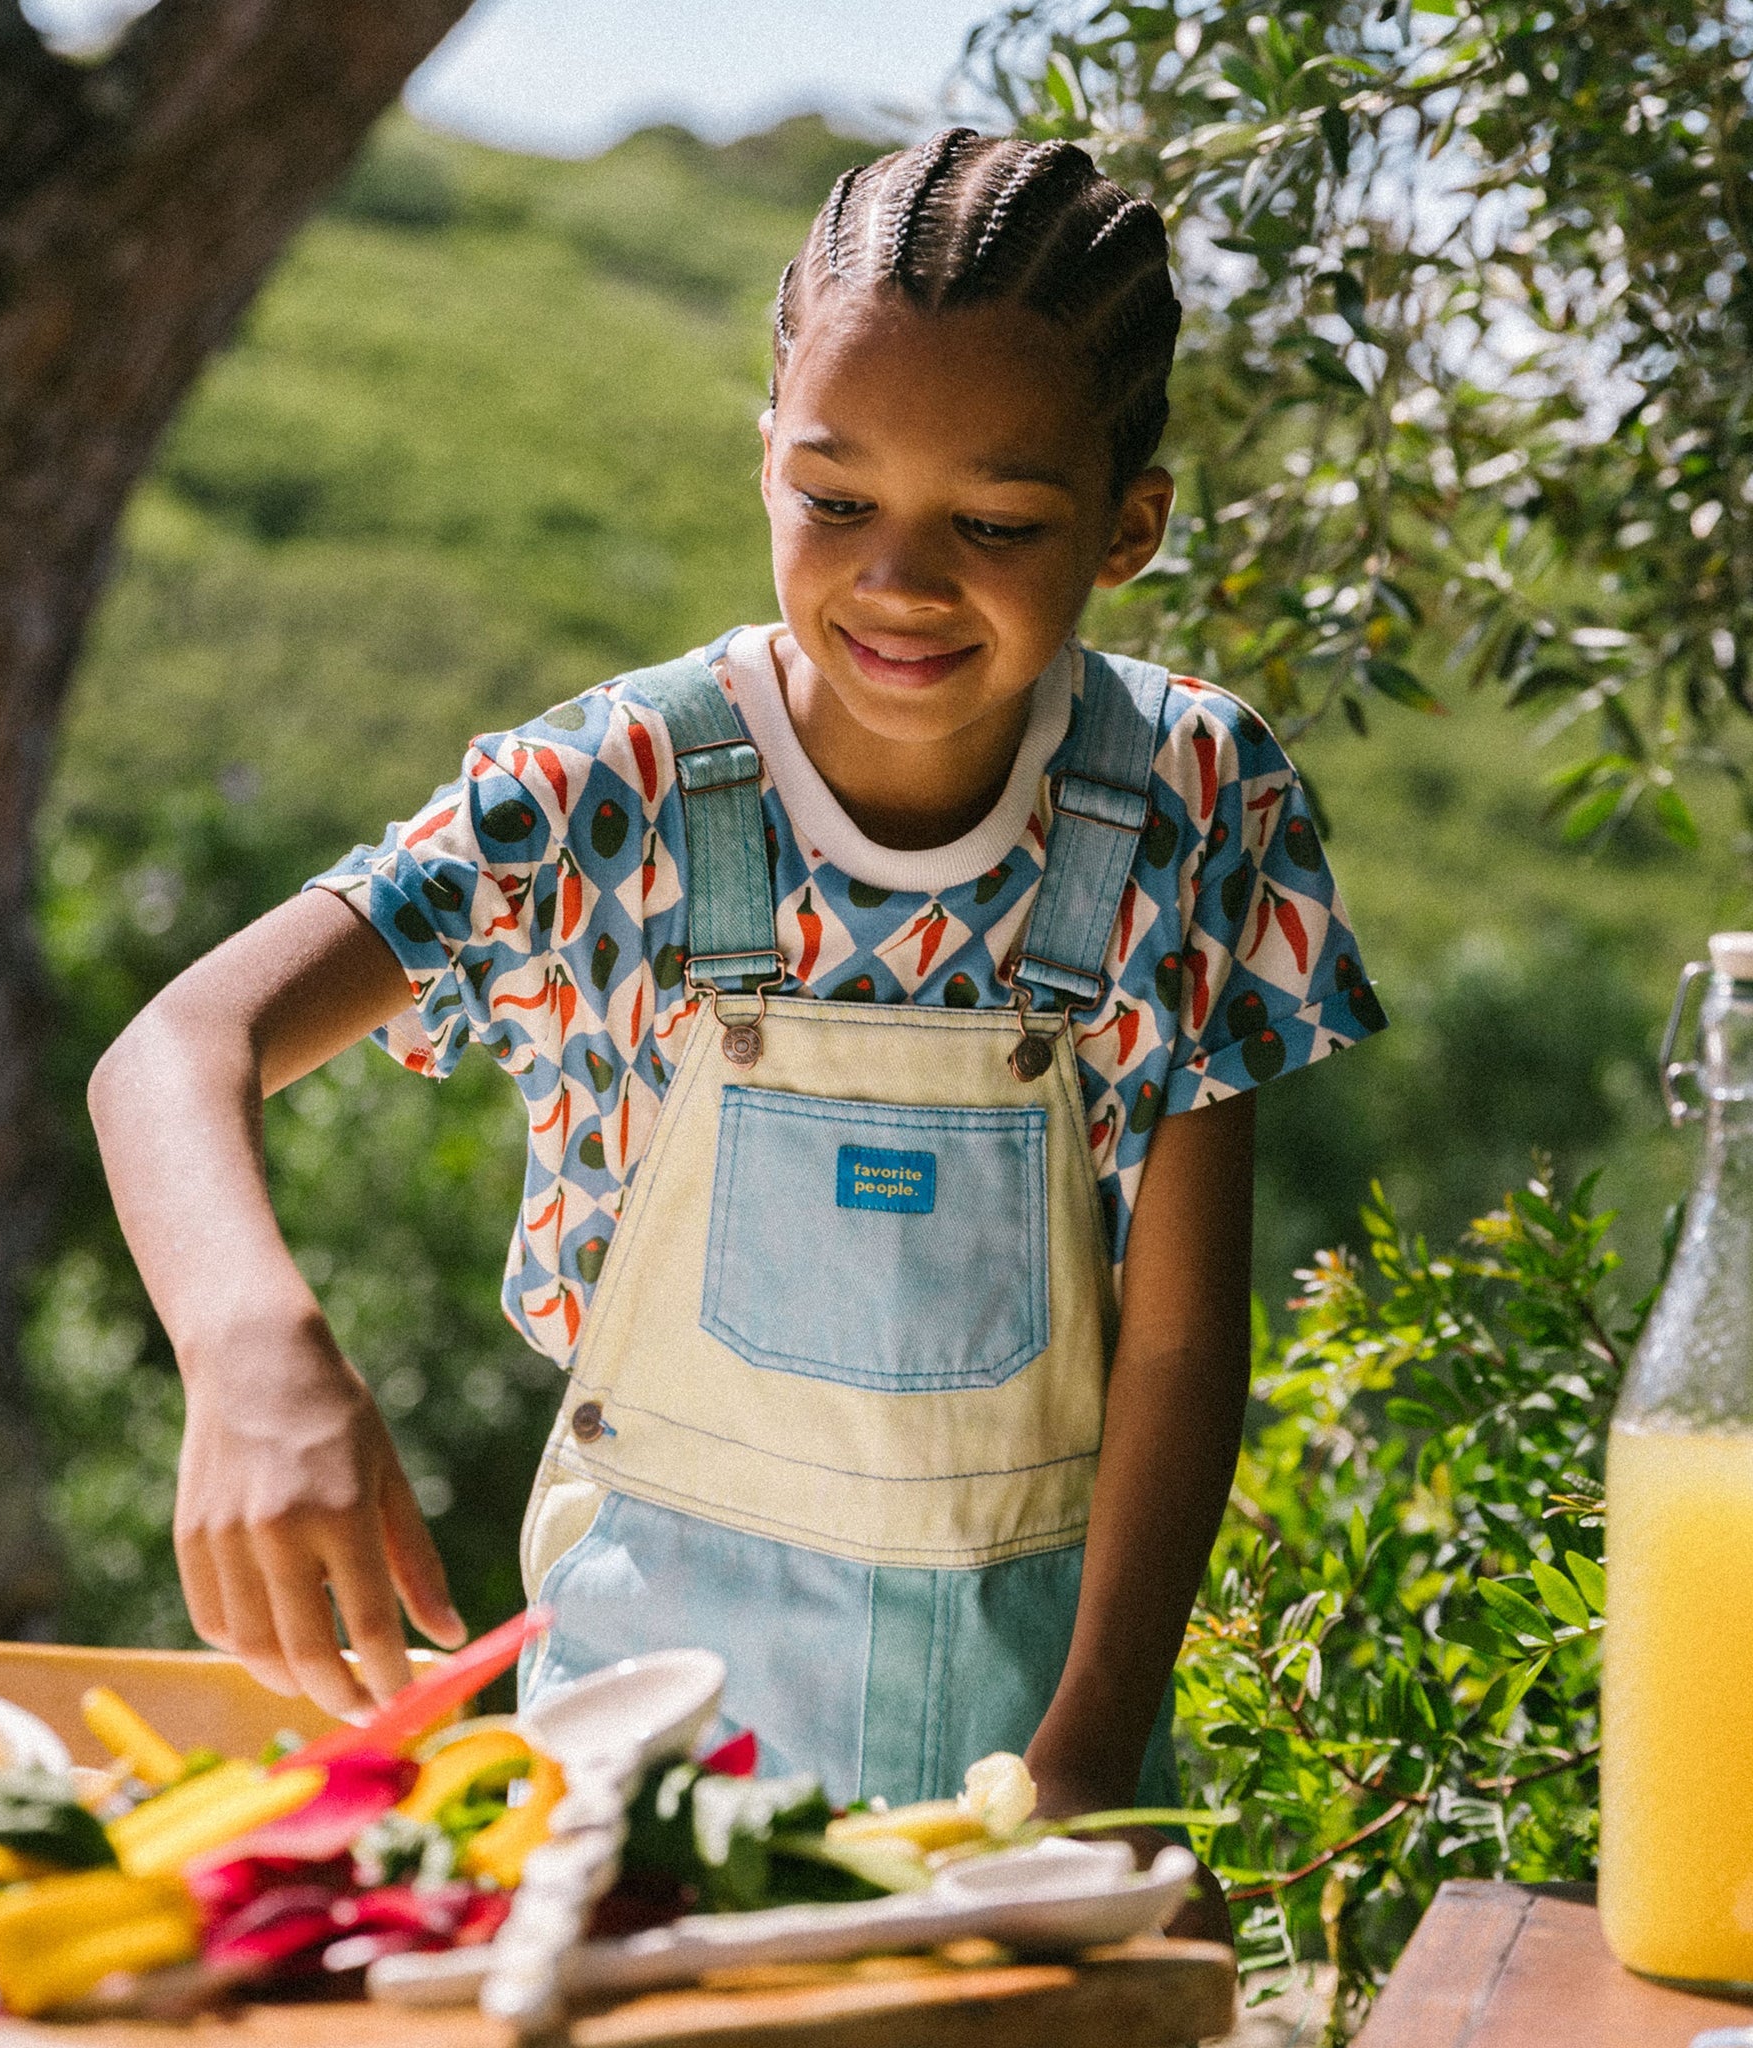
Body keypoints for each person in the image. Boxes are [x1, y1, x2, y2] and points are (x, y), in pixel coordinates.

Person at [89, 128, 1386, 1942]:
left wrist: (1098, 1748)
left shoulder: (1189, 798)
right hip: (633, 1813)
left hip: (1034, 1795)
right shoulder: (608, 793)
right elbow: (176, 1046)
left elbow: (1177, 1349)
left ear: (1129, 525)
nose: (900, 579)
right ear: (767, 452)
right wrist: (252, 1349)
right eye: (834, 500)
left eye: (997, 525)